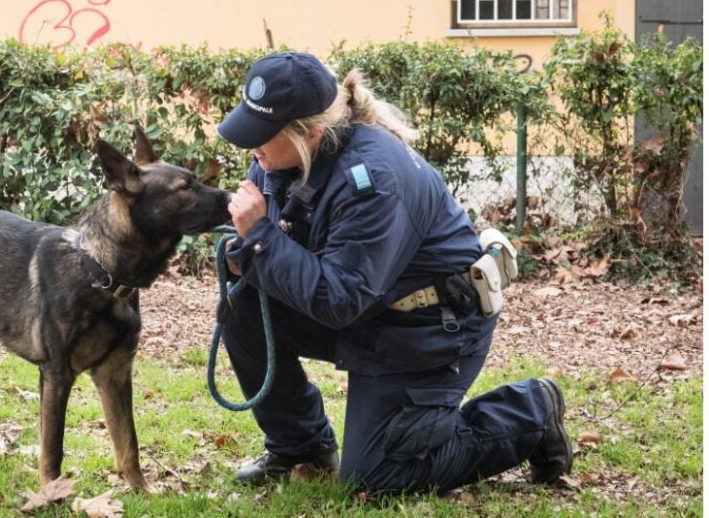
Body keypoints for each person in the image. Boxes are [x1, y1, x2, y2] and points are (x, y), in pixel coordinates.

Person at [216, 51, 572, 493]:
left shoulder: (372, 178)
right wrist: (247, 251)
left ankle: (530, 412)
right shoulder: (284, 158)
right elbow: (299, 260)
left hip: (431, 326)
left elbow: (340, 299)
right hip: (375, 310)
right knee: (245, 302)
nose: (252, 146)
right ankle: (300, 447)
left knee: (378, 479)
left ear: (310, 133)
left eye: (263, 134)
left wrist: (262, 240)